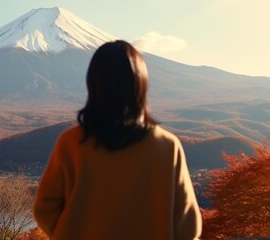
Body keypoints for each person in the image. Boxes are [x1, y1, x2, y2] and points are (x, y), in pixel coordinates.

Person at [33, 40, 202, 239]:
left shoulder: (71, 143)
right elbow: (189, 226)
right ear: (141, 84)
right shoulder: (167, 146)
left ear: (93, 83)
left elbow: (44, 208)